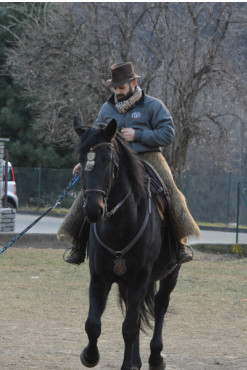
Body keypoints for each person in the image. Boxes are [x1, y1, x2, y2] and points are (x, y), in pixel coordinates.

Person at [58, 62, 200, 265]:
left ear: (133, 83)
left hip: (148, 156)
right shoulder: (107, 109)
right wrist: (88, 163)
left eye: (121, 87)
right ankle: (78, 245)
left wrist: (138, 135)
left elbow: (168, 133)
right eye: (115, 88)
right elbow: (95, 138)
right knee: (89, 191)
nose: (118, 91)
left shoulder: (153, 106)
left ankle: (179, 244)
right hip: (114, 161)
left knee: (171, 191)